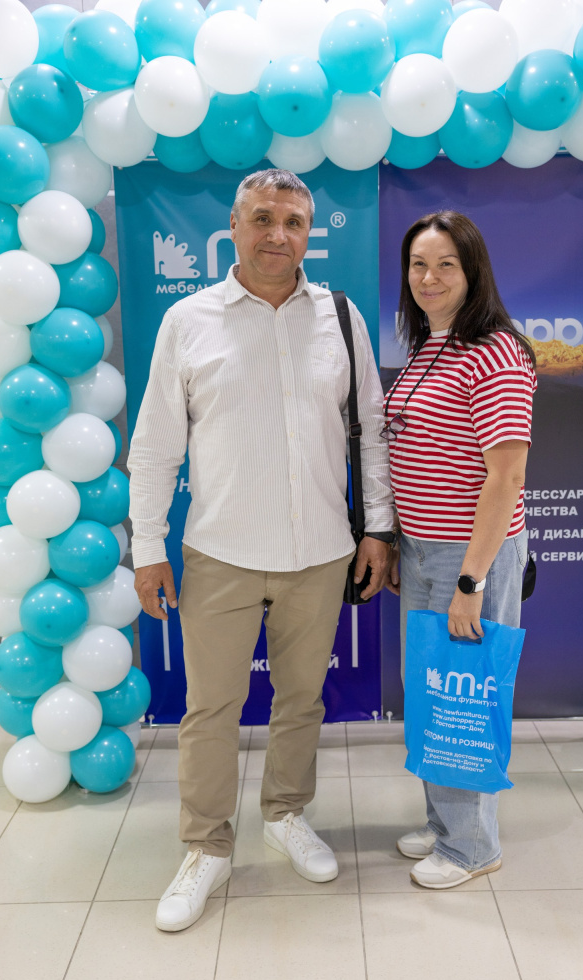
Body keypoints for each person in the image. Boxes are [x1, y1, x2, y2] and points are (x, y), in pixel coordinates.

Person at [127, 169, 395, 932]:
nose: (278, 235)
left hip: (321, 552)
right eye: (262, 219)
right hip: (220, 552)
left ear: (310, 233)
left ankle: (285, 815)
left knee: (301, 699)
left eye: (293, 222)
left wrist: (377, 529)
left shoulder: (339, 317)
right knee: (210, 708)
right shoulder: (189, 320)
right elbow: (155, 447)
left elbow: (370, 431)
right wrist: (147, 547)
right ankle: (206, 847)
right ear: (235, 227)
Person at [384, 210, 537, 890]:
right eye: (418, 264)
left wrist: (470, 582)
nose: (429, 277)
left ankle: (472, 845)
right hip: (422, 549)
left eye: (446, 264)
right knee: (433, 688)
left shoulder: (494, 351)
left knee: (464, 696)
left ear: (473, 272)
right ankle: (446, 822)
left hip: (469, 556)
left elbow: (505, 477)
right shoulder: (430, 344)